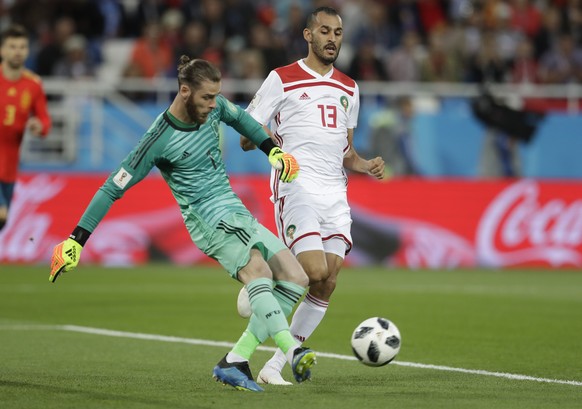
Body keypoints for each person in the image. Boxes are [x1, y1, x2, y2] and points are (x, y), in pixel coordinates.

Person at [48, 57, 316, 392]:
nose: (213, 104)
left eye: (217, 96)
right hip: (209, 220)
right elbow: (112, 188)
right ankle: (294, 351)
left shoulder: (215, 109)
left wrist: (272, 151)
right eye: (207, 97)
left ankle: (235, 360)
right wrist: (76, 240)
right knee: (259, 273)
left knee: (296, 277)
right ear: (185, 91)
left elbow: (244, 121)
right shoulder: (158, 138)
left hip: (235, 211)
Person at [239, 6, 385, 385]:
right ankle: (266, 278)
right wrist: (274, 147)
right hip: (296, 187)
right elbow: (245, 134)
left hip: (335, 193)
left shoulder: (350, 88)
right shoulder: (281, 78)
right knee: (312, 271)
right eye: (324, 31)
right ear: (308, 35)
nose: (332, 38)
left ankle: (273, 367)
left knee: (328, 281)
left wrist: (365, 164)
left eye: (337, 33)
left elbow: (346, 153)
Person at [0, 24, 51, 232]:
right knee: (1, 213)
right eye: (12, 46)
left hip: (10, 167)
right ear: (2, 50)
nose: (17, 51)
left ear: (28, 50)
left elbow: (45, 120)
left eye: (22, 47)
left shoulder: (33, 84)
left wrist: (39, 127)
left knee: (3, 222)